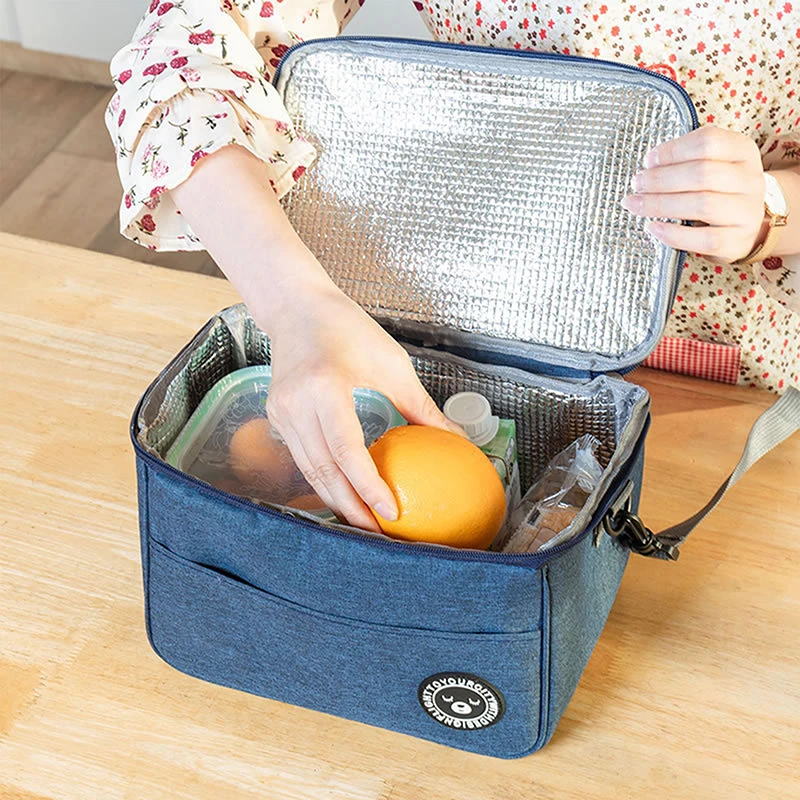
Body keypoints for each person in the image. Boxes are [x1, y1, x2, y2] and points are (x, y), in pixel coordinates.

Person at [107, 0, 800, 528]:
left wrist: (774, 207)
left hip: (754, 380)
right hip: (483, 327)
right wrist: (296, 307)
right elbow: (183, 48)